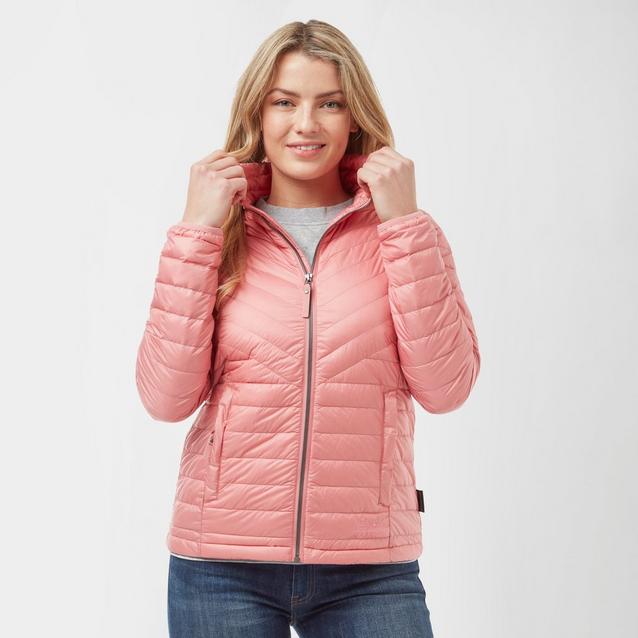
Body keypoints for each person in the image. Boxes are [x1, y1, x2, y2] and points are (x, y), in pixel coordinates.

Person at [135, 18, 481, 638]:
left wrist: (404, 224)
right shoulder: (217, 233)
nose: (306, 123)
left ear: (354, 118)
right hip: (221, 564)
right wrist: (195, 232)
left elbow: (446, 388)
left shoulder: (401, 232)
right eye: (284, 102)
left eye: (330, 103)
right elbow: (165, 399)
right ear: (257, 113)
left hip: (370, 565)